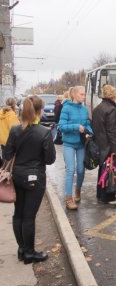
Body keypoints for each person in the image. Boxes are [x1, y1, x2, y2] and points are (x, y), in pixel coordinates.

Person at [4, 95, 56, 264]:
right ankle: (29, 252)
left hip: (17, 176)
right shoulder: (44, 132)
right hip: (36, 179)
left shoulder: (14, 130)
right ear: (40, 111)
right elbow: (50, 160)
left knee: (18, 214)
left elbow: (6, 155)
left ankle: (21, 249)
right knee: (29, 217)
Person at [58, 86, 93, 210]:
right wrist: (76, 126)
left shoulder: (84, 109)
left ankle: (78, 189)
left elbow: (87, 124)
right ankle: (69, 198)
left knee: (81, 170)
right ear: (74, 95)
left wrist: (89, 131)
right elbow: (61, 126)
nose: (84, 97)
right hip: (68, 144)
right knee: (70, 170)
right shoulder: (66, 108)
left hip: (81, 144)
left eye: (84, 95)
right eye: (82, 94)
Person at [92, 84, 116, 204]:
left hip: (101, 144)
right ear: (113, 95)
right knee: (110, 170)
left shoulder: (98, 108)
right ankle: (108, 197)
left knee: (103, 169)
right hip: (109, 146)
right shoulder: (111, 110)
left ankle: (100, 194)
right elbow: (113, 132)